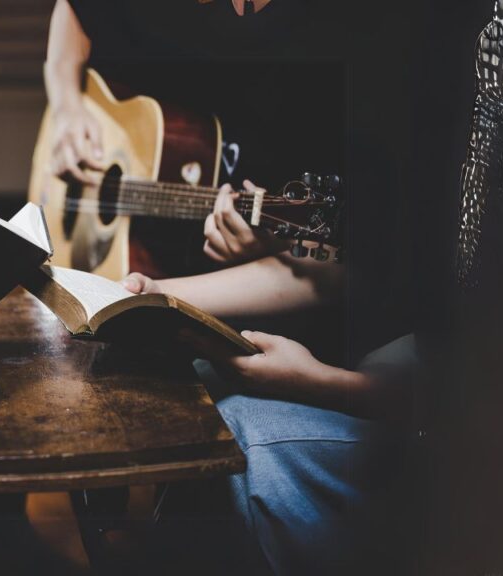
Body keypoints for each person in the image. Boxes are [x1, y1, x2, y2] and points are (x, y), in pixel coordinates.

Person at [43, 1, 424, 574]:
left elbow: (355, 259)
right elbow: (71, 12)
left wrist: (155, 296)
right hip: (186, 256)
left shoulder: (367, 44)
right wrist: (68, 104)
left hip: (296, 305)